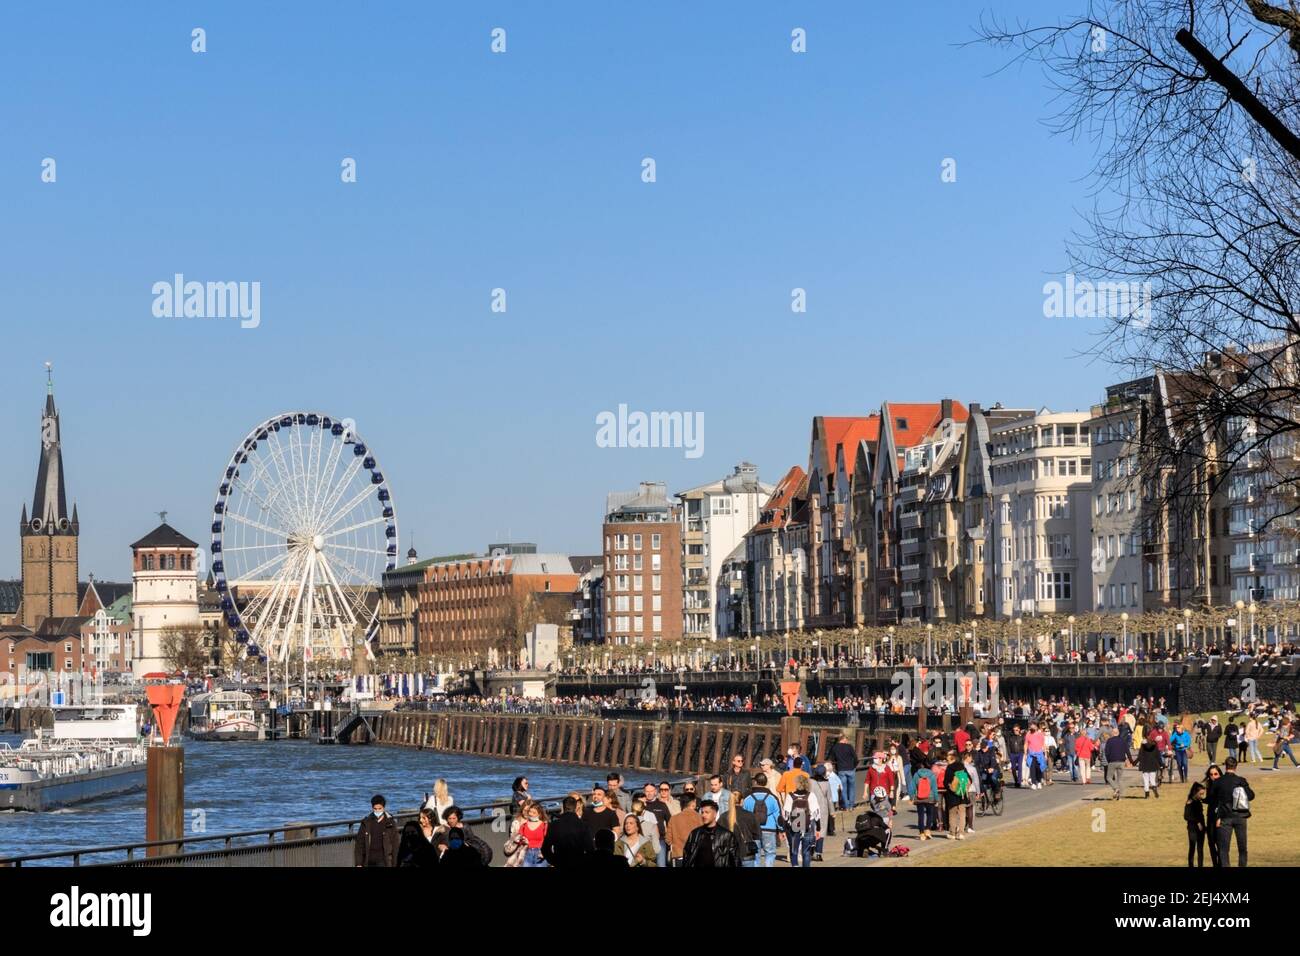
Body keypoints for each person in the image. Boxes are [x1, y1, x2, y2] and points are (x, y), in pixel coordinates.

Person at [1208, 756, 1255, 868]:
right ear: (1236, 766)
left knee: (1224, 849)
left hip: (1224, 817)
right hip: (1240, 816)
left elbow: (1212, 799)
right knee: (1242, 847)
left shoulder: (1218, 782)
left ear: (1225, 766)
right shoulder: (1241, 781)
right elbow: (1251, 796)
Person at [682, 798, 742, 867]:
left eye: (707, 812)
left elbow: (735, 860)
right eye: (702, 812)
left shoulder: (727, 835)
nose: (703, 815)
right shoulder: (694, 834)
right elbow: (686, 856)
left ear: (715, 814)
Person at [741, 772, 782, 868]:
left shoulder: (748, 798)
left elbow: (744, 815)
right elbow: (778, 816)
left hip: (753, 831)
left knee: (755, 854)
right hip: (769, 829)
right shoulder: (772, 798)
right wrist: (781, 830)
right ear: (766, 782)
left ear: (755, 781)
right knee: (770, 853)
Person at [541, 795, 593, 867]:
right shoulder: (583, 825)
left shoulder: (554, 824)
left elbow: (545, 848)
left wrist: (554, 861)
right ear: (576, 808)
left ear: (563, 807)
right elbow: (590, 849)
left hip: (560, 861)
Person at [781, 777, 820, 867]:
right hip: (808, 827)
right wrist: (818, 828)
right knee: (806, 852)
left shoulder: (790, 796)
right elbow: (817, 813)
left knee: (794, 851)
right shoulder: (811, 795)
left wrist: (784, 828)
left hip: (794, 827)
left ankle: (795, 865)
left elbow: (786, 814)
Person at [354, 794, 399, 868]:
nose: (377, 811)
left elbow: (395, 846)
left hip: (384, 861)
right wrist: (358, 863)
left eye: (379, 808)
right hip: (369, 861)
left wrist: (395, 863)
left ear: (384, 808)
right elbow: (359, 844)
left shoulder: (390, 823)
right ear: (372, 808)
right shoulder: (366, 823)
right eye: (375, 809)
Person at [504, 799, 549, 868]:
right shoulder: (520, 824)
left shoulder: (544, 824)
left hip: (539, 852)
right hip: (524, 852)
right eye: (527, 811)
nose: (528, 813)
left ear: (538, 813)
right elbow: (515, 840)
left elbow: (547, 839)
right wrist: (521, 840)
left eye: (531, 811)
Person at [666, 792, 703, 866]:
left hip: (678, 856)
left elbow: (668, 839)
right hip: (696, 855)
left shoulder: (673, 819)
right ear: (693, 802)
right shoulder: (700, 818)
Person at [727, 789, 761, 867]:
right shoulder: (751, 816)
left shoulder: (723, 817)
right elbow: (757, 835)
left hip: (730, 855)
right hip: (747, 853)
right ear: (742, 801)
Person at [640, 783, 672, 866]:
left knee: (661, 864)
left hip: (660, 839)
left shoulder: (662, 805)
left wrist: (669, 837)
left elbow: (670, 822)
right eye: (647, 791)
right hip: (644, 840)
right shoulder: (641, 805)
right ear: (644, 792)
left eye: (651, 791)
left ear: (655, 792)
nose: (649, 793)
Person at [808, 765, 834, 862]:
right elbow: (829, 799)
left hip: (811, 808)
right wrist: (832, 811)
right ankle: (818, 853)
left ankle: (810, 851)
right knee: (821, 831)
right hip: (823, 809)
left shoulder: (810, 781)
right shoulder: (827, 783)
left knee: (811, 829)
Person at [942, 751, 969, 840]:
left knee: (952, 814)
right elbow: (969, 779)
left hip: (952, 794)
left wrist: (949, 787)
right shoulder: (962, 767)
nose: (946, 761)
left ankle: (952, 833)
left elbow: (945, 782)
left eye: (947, 759)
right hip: (962, 793)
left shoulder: (949, 768)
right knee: (962, 814)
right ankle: (961, 833)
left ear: (951, 759)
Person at [830, 734, 858, 809]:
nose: (847, 741)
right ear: (844, 739)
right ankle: (851, 805)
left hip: (841, 770)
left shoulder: (835, 747)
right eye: (847, 740)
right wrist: (854, 766)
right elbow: (855, 758)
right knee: (852, 787)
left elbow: (832, 759)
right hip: (850, 769)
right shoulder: (849, 747)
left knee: (843, 788)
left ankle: (846, 806)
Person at [1203, 765, 1223, 867]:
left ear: (1219, 774)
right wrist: (1199, 798)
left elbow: (1223, 802)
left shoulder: (1223, 785)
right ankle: (1215, 864)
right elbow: (1209, 800)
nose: (1213, 776)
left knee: (1219, 843)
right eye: (1211, 774)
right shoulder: (1209, 784)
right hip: (1210, 816)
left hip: (1220, 818)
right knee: (1211, 842)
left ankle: (1220, 863)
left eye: (1215, 774)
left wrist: (1219, 817)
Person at [1102, 730, 1130, 800]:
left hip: (1112, 761)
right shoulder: (1122, 741)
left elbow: (1106, 752)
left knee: (1109, 777)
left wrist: (1109, 760)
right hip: (1121, 761)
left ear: (1112, 733)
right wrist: (1130, 760)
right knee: (1120, 779)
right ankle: (1119, 796)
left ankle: (1115, 788)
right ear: (1118, 733)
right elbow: (1127, 751)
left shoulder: (1109, 741)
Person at [1185, 782, 1207, 868]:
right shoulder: (1190, 802)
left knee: (1200, 849)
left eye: (1203, 794)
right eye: (1201, 794)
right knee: (1192, 847)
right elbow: (1187, 816)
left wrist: (1204, 827)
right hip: (1193, 829)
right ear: (1195, 792)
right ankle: (1191, 865)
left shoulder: (1199, 801)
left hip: (1201, 828)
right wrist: (1197, 822)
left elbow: (1201, 816)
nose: (1202, 796)